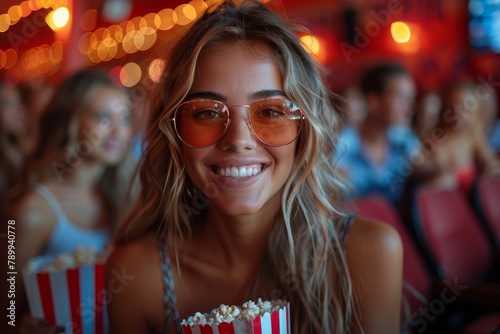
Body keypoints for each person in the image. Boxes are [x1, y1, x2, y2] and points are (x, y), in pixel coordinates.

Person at [106, 1, 403, 333]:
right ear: (173, 132)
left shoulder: (368, 253)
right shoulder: (137, 276)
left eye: (271, 111)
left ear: (304, 132)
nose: (238, 140)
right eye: (207, 112)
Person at [5, 68, 135, 333]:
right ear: (71, 120)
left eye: (124, 119)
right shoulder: (32, 211)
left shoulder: (125, 196)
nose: (117, 132)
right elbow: (6, 310)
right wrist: (19, 328)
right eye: (103, 118)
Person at [334, 63, 420, 204]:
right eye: (401, 97)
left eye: (411, 98)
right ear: (373, 101)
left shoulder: (403, 138)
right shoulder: (343, 144)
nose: (411, 106)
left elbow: (428, 166)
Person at [410, 80, 500, 195]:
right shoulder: (433, 139)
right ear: (443, 108)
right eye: (451, 106)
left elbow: (490, 161)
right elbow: (416, 168)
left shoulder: (472, 137)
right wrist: (435, 170)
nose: (457, 113)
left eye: (464, 109)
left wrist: (491, 168)